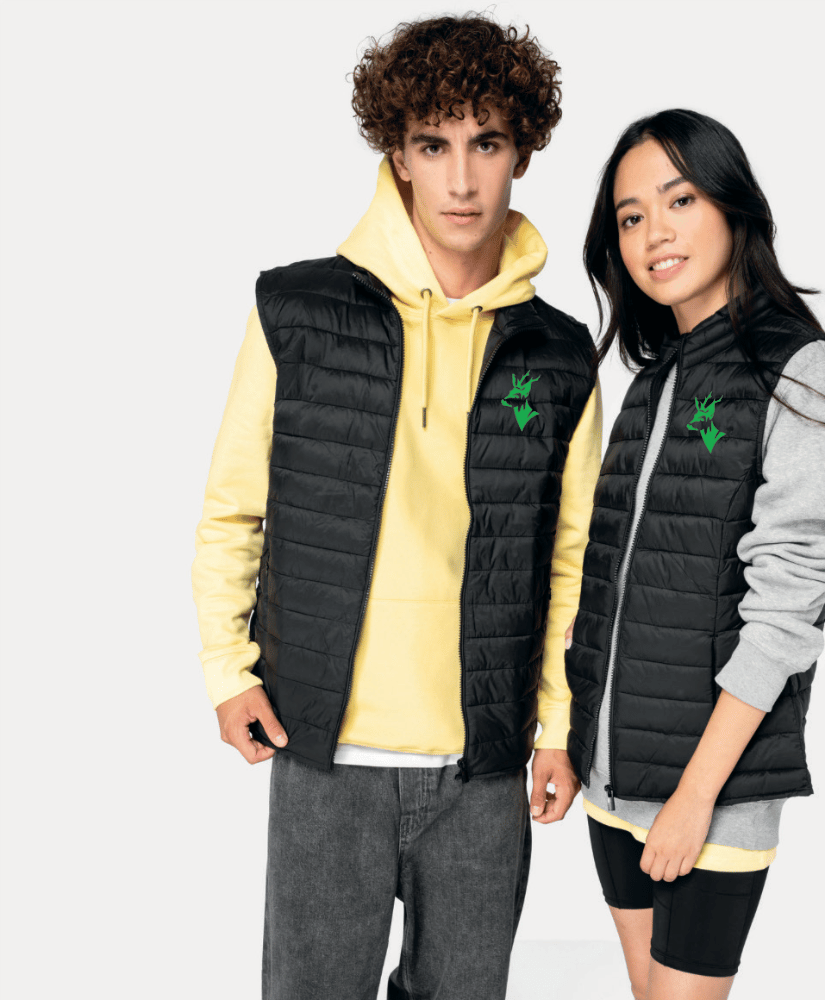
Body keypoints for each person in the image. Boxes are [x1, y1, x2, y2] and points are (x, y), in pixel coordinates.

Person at [191, 15, 601, 999]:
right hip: (324, 754)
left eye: (486, 144)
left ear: (522, 153)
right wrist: (226, 671)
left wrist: (557, 725)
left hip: (483, 765)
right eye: (433, 143)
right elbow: (233, 509)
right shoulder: (297, 312)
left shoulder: (556, 351)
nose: (461, 179)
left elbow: (574, 559)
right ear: (398, 155)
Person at [564, 109, 825, 1000]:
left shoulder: (799, 368)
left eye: (680, 200)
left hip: (712, 793)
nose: (654, 233)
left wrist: (696, 795)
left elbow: (787, 611)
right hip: (612, 780)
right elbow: (606, 583)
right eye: (630, 217)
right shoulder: (653, 379)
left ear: (732, 205)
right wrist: (571, 743)